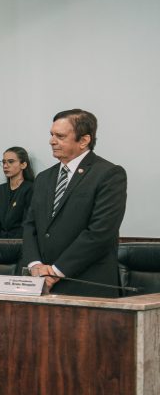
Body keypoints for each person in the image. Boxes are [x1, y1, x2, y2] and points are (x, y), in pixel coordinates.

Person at [22, 109, 127, 297]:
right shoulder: (44, 178)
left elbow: (99, 233)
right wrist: (35, 265)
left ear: (84, 140)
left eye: (60, 136)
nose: (52, 141)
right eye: (51, 135)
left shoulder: (108, 174)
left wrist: (55, 272)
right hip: (40, 285)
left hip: (87, 285)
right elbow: (31, 225)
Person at [0, 146, 35, 238]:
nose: (5, 166)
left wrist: (13, 244)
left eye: (11, 162)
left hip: (21, 243)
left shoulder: (31, 188)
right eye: (4, 162)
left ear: (23, 165)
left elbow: (28, 222)